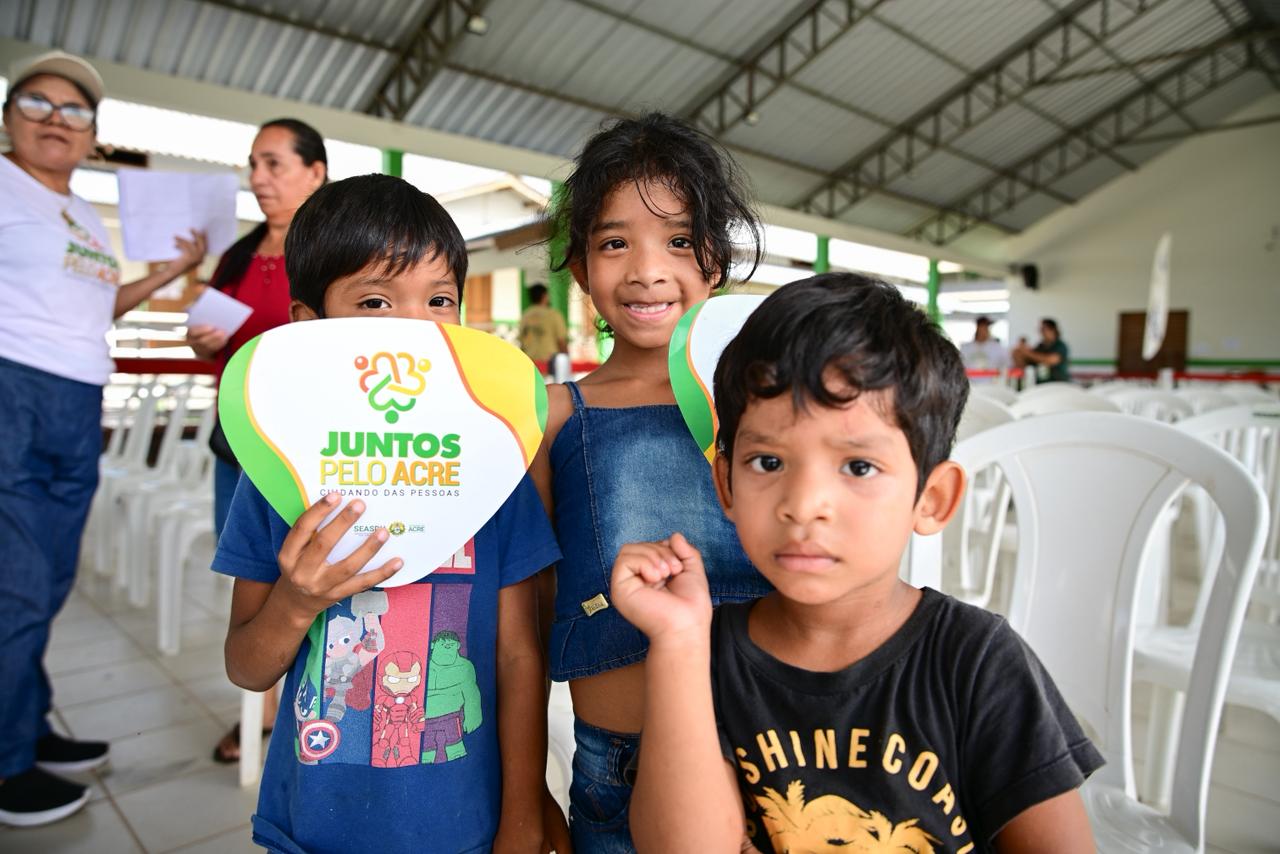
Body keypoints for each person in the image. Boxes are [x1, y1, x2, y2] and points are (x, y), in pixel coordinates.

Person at [615, 274, 1103, 853]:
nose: (803, 505)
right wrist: (677, 641)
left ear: (932, 499)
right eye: (768, 462)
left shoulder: (977, 662)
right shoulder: (709, 657)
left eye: (859, 468)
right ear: (726, 484)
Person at [212, 174, 564, 853]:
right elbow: (247, 668)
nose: (414, 331)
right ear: (307, 328)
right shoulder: (280, 473)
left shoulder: (494, 468)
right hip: (313, 824)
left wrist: (523, 808)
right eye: (376, 300)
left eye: (439, 300)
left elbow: (522, 656)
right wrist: (295, 601)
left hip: (467, 823)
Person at [529, 112, 771, 852]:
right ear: (581, 270)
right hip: (619, 774)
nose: (645, 270)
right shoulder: (553, 413)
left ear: (715, 263)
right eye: (613, 243)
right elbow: (526, 622)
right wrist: (523, 793)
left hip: (781, 760)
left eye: (676, 240)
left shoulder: (767, 408)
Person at [0, 50, 206, 827]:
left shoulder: (80, 212)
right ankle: (6, 759)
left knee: (47, 577)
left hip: (75, 395)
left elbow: (93, 308)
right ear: (8, 116)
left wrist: (167, 273)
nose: (57, 118)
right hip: (12, 392)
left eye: (75, 110)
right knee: (15, 581)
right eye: (38, 103)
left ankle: (24, 721)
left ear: (92, 136)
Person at [185, 117, 328, 764]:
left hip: (317, 442)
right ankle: (258, 711)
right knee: (251, 577)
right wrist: (201, 340)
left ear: (315, 173)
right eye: (254, 165)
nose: (259, 178)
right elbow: (213, 335)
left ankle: (324, 705)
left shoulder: (332, 253)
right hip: (240, 444)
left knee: (321, 575)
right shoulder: (238, 257)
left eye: (274, 164)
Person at [518, 282, 568, 366]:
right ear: (545, 296)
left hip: (530, 362)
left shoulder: (525, 315)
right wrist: (566, 360)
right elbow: (561, 341)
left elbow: (522, 341)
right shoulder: (553, 314)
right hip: (549, 362)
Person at [1014, 317, 1071, 383]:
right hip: (1040, 384)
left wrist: (1027, 352)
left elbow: (1050, 360)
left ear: (1052, 330)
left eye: (1043, 329)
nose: (1041, 332)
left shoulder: (1060, 346)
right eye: (1040, 329)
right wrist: (1018, 353)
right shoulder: (1040, 347)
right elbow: (1023, 365)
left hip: (1057, 383)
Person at [959, 315, 1010, 382]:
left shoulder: (997, 347)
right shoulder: (965, 347)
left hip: (991, 385)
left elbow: (1006, 364)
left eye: (986, 327)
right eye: (981, 327)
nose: (983, 330)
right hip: (971, 385)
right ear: (977, 328)